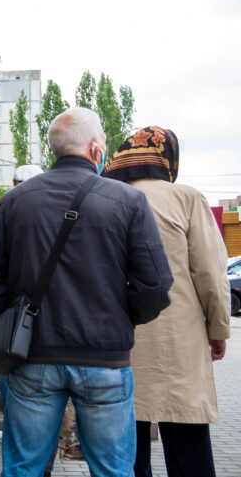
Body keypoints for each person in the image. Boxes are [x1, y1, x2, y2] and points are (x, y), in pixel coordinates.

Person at [0, 107, 174, 477]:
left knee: (23, 469)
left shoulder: (14, 201)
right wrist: (120, 318)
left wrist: (15, 316)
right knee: (113, 470)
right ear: (97, 150)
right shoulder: (128, 202)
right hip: (105, 359)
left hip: (30, 356)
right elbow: (156, 285)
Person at [103, 127, 231, 477]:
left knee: (128, 451)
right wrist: (218, 329)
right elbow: (209, 273)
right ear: (168, 158)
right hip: (180, 341)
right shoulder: (186, 198)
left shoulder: (104, 196)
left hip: (118, 338)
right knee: (188, 442)